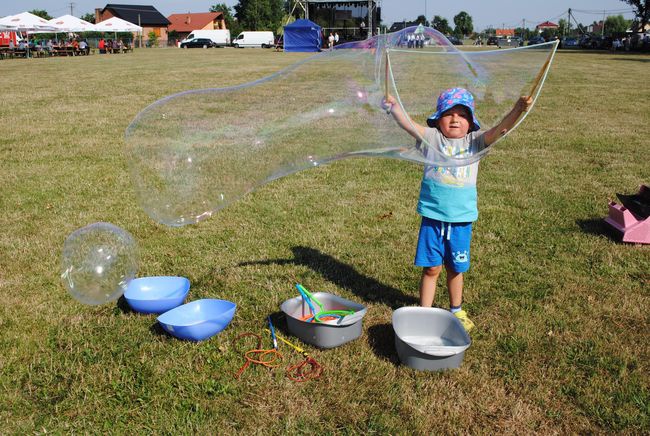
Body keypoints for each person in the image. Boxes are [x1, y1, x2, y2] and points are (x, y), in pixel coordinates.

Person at [384, 88, 532, 332]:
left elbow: (500, 130)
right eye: (449, 114)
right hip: (433, 216)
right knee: (431, 267)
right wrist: (395, 108)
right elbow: (409, 126)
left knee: (456, 267)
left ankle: (456, 310)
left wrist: (517, 110)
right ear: (438, 119)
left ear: (470, 122)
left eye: (462, 115)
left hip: (461, 219)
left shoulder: (475, 142)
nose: (455, 119)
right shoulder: (432, 138)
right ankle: (424, 312)